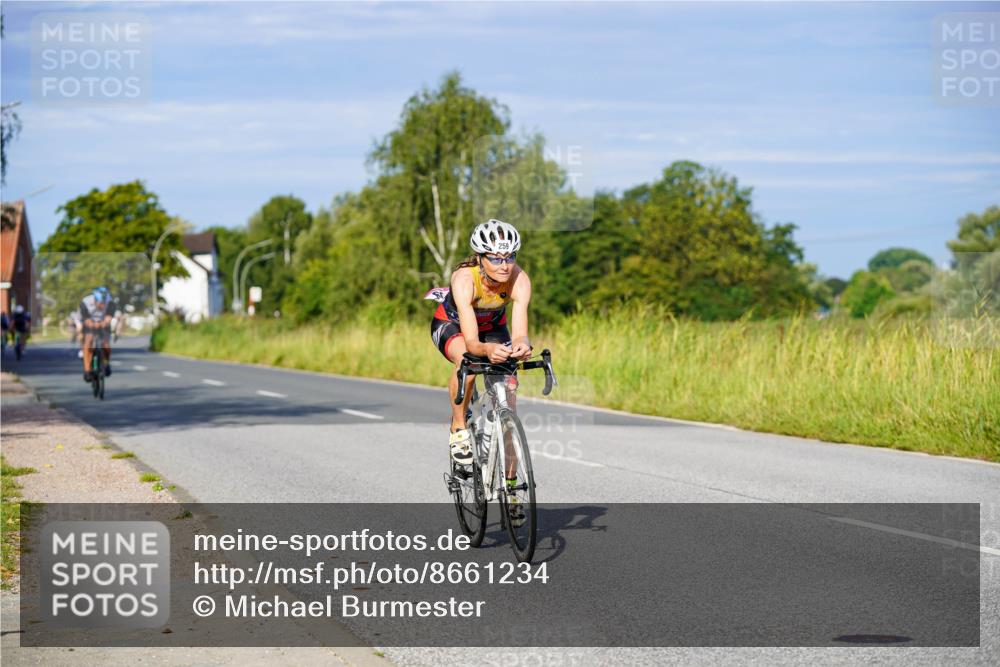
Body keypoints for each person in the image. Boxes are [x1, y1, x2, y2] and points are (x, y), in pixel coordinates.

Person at [429, 219, 532, 524]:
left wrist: (521, 346)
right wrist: (487, 351)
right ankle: (459, 430)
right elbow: (473, 343)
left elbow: (521, 331)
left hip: (494, 328)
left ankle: (512, 488)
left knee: (508, 399)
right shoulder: (464, 279)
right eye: (497, 258)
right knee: (469, 366)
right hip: (455, 326)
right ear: (481, 258)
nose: (505, 265)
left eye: (510, 256)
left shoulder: (519, 279)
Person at [79, 286, 116, 382]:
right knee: (88, 341)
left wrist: (102, 323)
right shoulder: (85, 302)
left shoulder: (110, 302)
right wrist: (92, 324)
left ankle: (106, 363)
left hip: (103, 323)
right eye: (100, 304)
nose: (102, 306)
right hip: (90, 323)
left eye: (104, 304)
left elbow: (108, 318)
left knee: (106, 345)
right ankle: (87, 370)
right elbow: (86, 319)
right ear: (95, 300)